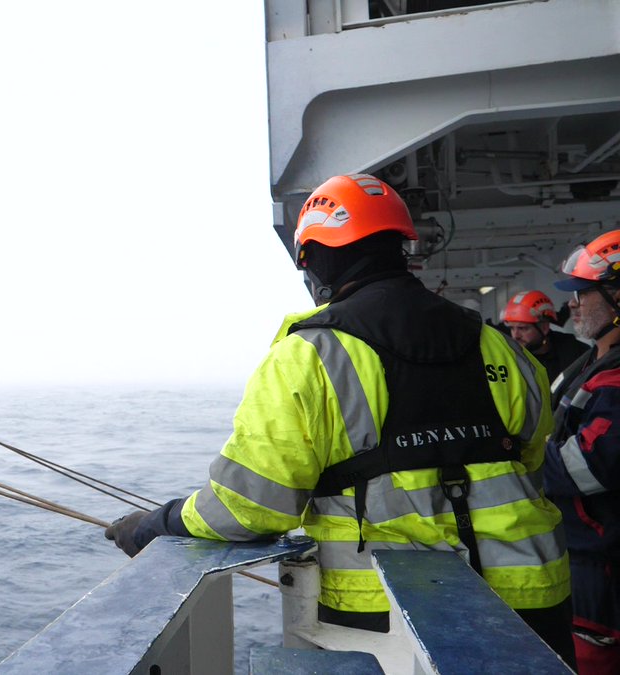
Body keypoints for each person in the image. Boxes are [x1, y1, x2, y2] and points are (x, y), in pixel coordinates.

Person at [105, 173, 574, 666]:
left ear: (316, 259)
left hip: (389, 614)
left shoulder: (308, 355)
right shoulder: (497, 344)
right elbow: (530, 454)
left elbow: (249, 506)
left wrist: (157, 524)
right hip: (533, 594)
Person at [543, 230, 620, 673]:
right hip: (584, 558)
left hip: (604, 566)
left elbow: (587, 466)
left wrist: (517, 454)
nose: (572, 304)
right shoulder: (594, 362)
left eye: (582, 293)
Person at [503, 289, 588, 387]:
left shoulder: (576, 353)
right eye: (512, 328)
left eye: (522, 328)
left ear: (544, 328)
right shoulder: (509, 358)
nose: (515, 336)